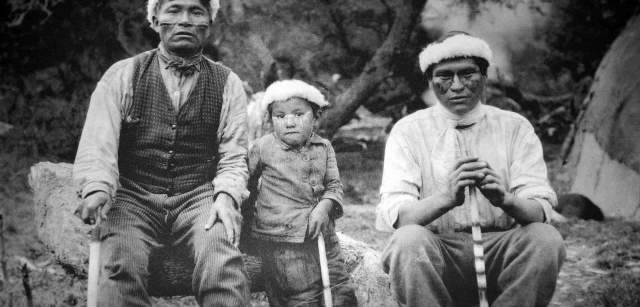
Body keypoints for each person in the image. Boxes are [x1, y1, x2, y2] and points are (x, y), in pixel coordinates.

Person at [72, 0, 250, 305]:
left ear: (209, 22)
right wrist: (98, 187)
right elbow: (98, 143)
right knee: (121, 261)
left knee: (220, 254)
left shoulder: (228, 83)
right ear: (155, 19)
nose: (184, 20)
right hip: (133, 195)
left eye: (196, 12)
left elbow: (234, 156)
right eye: (173, 10)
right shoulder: (123, 75)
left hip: (198, 195)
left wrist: (226, 196)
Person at [376, 31, 566, 307]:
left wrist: (505, 199)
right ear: (430, 80)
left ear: (484, 77)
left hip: (503, 250)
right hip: (437, 252)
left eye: (467, 74)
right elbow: (399, 217)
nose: (456, 86)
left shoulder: (515, 127)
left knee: (545, 239)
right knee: (407, 241)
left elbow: (539, 211)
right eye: (444, 75)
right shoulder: (408, 131)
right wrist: (447, 198)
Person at [245, 79, 357, 307]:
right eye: (280, 115)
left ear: (316, 117)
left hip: (324, 237)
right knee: (301, 298)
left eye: (298, 114)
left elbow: (334, 186)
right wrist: (247, 228)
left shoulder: (324, 147)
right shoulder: (262, 148)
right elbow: (244, 187)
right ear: (270, 119)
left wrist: (325, 207)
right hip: (282, 242)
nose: (289, 122)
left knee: (340, 292)